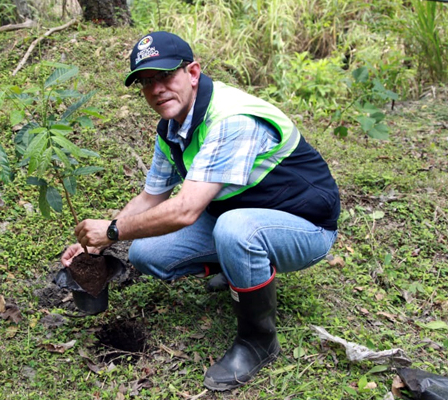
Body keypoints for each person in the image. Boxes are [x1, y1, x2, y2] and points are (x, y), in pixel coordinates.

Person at [60, 31, 340, 391]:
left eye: (165, 76)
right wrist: (97, 244)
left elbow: (186, 210)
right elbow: (151, 198)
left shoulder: (230, 119)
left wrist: (113, 231)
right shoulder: (173, 127)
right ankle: (239, 267)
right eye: (146, 82)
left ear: (193, 72)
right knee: (146, 252)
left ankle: (258, 341)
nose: (156, 89)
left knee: (237, 232)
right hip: (238, 213)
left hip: (305, 226)